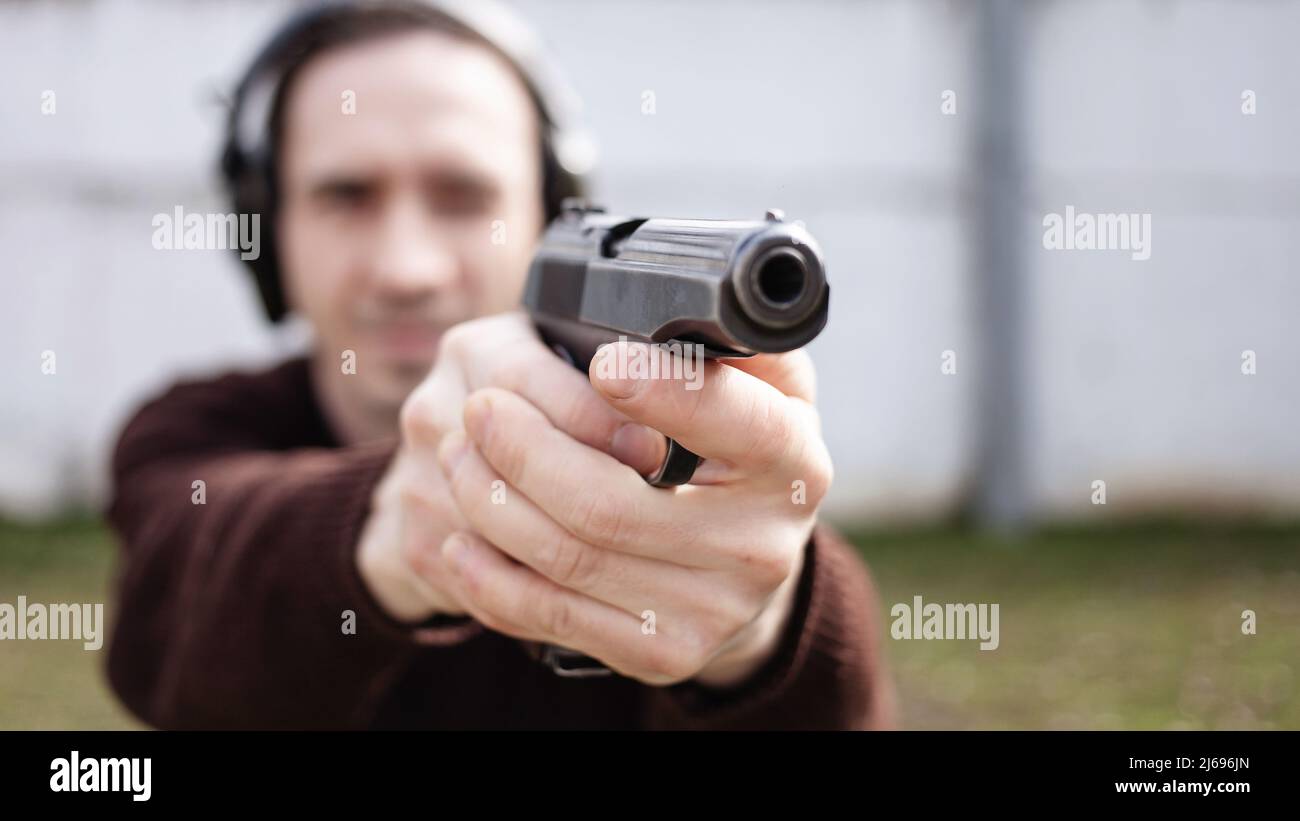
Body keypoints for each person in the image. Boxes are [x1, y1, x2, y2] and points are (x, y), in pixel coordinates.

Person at [105, 0, 896, 729]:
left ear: (544, 214)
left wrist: (764, 628)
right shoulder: (188, 434)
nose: (406, 268)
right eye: (346, 196)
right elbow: (169, 620)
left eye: (462, 196)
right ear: (266, 227)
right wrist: (394, 532)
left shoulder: (659, 463)